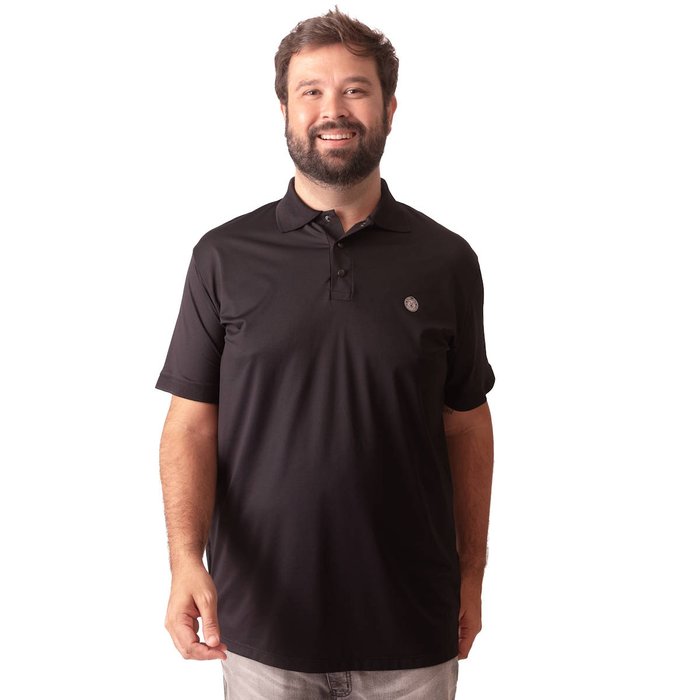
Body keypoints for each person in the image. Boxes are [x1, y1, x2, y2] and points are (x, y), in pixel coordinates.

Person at [155, 8, 496, 699]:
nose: (332, 110)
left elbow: (466, 425)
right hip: (262, 632)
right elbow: (190, 424)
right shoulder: (223, 257)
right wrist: (184, 562)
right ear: (284, 110)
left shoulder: (446, 261)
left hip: (412, 632)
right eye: (310, 90)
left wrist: (473, 574)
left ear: (389, 109)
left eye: (355, 90)